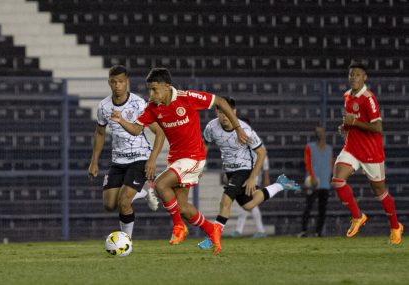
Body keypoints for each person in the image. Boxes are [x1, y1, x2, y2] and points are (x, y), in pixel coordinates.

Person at [110, 67, 249, 254]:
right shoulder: (152, 108)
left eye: (154, 89)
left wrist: (238, 128)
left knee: (160, 185)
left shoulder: (187, 97)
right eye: (149, 89)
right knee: (182, 207)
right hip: (176, 159)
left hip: (193, 157)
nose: (150, 94)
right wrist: (120, 121)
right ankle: (212, 230)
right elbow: (136, 129)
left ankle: (178, 226)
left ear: (167, 87)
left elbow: (221, 102)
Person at [197, 97, 300, 249]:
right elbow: (204, 145)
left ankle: (213, 238)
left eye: (227, 112)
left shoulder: (245, 130)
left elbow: (261, 152)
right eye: (221, 112)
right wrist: (199, 166)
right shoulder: (212, 127)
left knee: (225, 201)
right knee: (248, 204)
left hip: (245, 170)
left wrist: (252, 177)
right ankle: (280, 185)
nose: (224, 116)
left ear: (234, 112)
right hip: (230, 171)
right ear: (217, 112)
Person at [88, 65, 165, 238]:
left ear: (127, 82)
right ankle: (143, 192)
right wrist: (94, 161)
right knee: (109, 204)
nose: (117, 85)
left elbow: (157, 132)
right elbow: (100, 133)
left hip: (139, 158)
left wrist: (152, 160)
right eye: (113, 82)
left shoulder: (139, 104)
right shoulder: (104, 106)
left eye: (121, 82)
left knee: (124, 202)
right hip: (118, 160)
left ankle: (126, 240)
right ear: (109, 83)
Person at [332, 60, 403, 245]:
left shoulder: (369, 98)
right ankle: (358, 216)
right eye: (351, 74)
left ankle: (395, 227)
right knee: (338, 180)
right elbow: (351, 120)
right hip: (352, 148)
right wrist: (345, 126)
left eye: (357, 74)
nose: (353, 77)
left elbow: (378, 127)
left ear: (365, 77)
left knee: (379, 192)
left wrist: (353, 123)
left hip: (371, 153)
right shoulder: (347, 96)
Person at [297, 126, 333, 238]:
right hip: (313, 183)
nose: (320, 134)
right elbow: (307, 163)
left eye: (321, 132)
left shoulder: (329, 149)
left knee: (322, 209)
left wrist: (331, 177)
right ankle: (303, 230)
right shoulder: (309, 147)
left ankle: (319, 231)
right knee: (309, 206)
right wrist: (312, 177)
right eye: (318, 132)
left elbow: (331, 164)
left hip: (325, 183)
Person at [231, 151, 270, 239]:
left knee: (249, 203)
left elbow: (265, 167)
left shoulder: (259, 150)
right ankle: (242, 230)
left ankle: (260, 230)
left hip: (253, 179)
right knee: (247, 204)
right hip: (246, 178)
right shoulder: (248, 148)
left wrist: (266, 179)